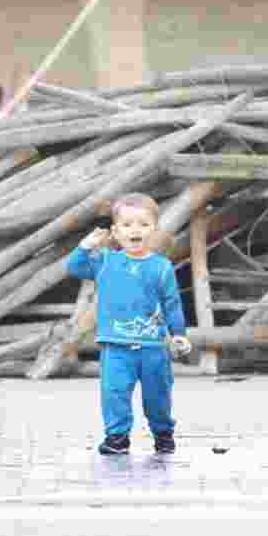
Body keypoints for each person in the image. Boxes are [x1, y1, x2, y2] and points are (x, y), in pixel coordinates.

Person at [66, 193, 192, 456]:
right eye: (127, 225)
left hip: (153, 347)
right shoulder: (105, 262)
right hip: (116, 346)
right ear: (115, 231)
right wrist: (85, 246)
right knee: (114, 393)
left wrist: (178, 334)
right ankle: (117, 437)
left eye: (143, 224)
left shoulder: (161, 267)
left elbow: (172, 304)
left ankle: (163, 433)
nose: (135, 230)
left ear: (154, 230)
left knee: (157, 396)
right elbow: (75, 268)